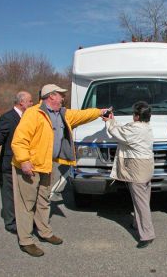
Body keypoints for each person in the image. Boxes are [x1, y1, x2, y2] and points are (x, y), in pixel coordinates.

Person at [11, 84, 106, 257]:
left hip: (46, 165)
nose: (63, 97)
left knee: (43, 201)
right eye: (61, 95)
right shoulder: (33, 113)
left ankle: (45, 232)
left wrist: (100, 112)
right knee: (26, 204)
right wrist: (24, 161)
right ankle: (25, 240)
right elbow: (19, 140)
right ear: (51, 96)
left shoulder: (62, 114)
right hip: (29, 167)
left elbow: (82, 115)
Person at [103, 101, 155, 249]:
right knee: (142, 198)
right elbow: (124, 130)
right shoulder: (146, 128)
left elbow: (117, 133)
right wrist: (112, 120)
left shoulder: (135, 130)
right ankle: (137, 224)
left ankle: (147, 235)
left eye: (134, 114)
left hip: (137, 168)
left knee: (141, 202)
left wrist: (109, 122)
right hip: (146, 166)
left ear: (137, 116)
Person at [0, 91, 33, 234]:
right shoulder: (7, 117)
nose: (32, 104)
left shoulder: (29, 117)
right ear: (21, 102)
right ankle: (11, 223)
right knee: (9, 194)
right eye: (30, 101)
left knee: (24, 194)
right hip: (9, 163)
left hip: (25, 162)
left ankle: (24, 220)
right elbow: (0, 133)